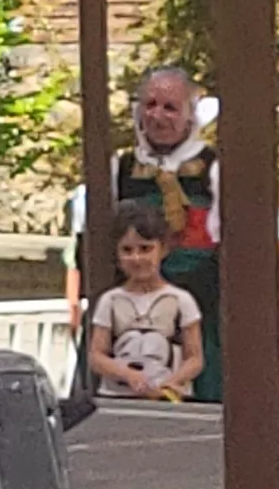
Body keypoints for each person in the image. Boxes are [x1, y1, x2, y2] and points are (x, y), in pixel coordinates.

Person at [81, 65, 224, 403]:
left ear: (190, 116)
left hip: (200, 305)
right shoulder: (121, 168)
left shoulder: (213, 167)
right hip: (128, 308)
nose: (157, 116)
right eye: (150, 105)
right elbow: (92, 240)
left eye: (170, 107)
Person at [84, 204, 203, 401]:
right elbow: (97, 355)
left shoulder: (181, 300)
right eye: (127, 250)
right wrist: (127, 375)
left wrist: (170, 382)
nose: (136, 258)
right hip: (118, 398)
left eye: (145, 249)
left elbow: (195, 358)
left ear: (163, 249)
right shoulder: (111, 300)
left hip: (167, 398)